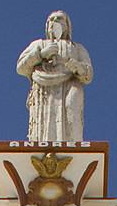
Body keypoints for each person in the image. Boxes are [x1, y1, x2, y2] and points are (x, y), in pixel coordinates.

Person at [16, 11, 93, 143]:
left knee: (71, 108)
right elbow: (21, 68)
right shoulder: (39, 44)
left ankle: (72, 143)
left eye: (59, 19)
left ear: (67, 26)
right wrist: (40, 54)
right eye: (51, 19)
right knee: (45, 122)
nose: (55, 22)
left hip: (70, 85)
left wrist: (76, 66)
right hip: (43, 89)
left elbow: (88, 74)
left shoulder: (77, 48)